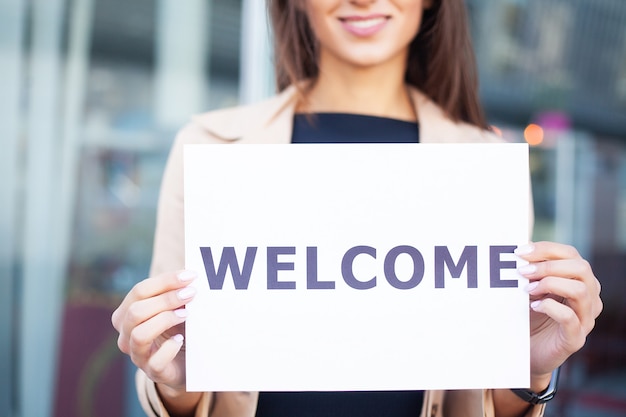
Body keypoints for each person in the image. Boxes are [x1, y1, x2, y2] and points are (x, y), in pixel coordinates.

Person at [111, 1, 603, 416]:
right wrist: (175, 380)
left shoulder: (482, 166)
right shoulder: (211, 148)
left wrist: (528, 368)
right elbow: (176, 367)